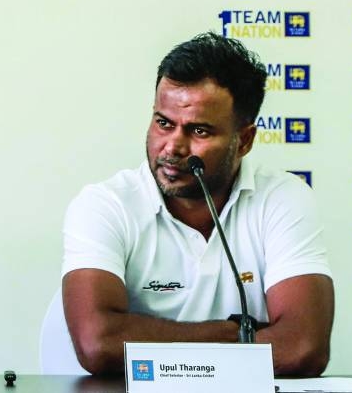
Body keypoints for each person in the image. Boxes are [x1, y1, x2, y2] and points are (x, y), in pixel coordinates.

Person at [62, 33, 333, 376]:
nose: (172, 146)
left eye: (199, 131)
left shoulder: (283, 198)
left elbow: (303, 348)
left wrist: (149, 346)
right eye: (163, 123)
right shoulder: (105, 205)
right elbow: (98, 343)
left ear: (245, 140)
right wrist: (237, 332)